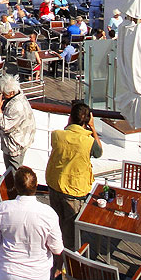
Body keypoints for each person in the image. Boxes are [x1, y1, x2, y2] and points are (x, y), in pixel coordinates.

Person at [45, 102, 103, 267]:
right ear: (87, 121)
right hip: (74, 191)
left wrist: (70, 125)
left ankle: (56, 261)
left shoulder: (57, 135)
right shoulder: (88, 141)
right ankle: (66, 267)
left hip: (55, 185)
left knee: (56, 225)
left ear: (70, 117)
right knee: (70, 233)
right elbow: (98, 152)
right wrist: (92, 128)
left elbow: (65, 136)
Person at [0, 166, 63, 280]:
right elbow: (57, 249)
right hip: (38, 274)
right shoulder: (48, 214)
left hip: (8, 273)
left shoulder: (2, 209)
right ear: (36, 186)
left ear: (15, 187)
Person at [0, 74, 36, 171]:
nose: (2, 96)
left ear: (11, 92)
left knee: (13, 171)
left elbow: (5, 126)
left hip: (16, 144)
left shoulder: (17, 106)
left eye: (3, 94)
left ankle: (14, 186)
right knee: (14, 170)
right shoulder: (19, 96)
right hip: (22, 139)